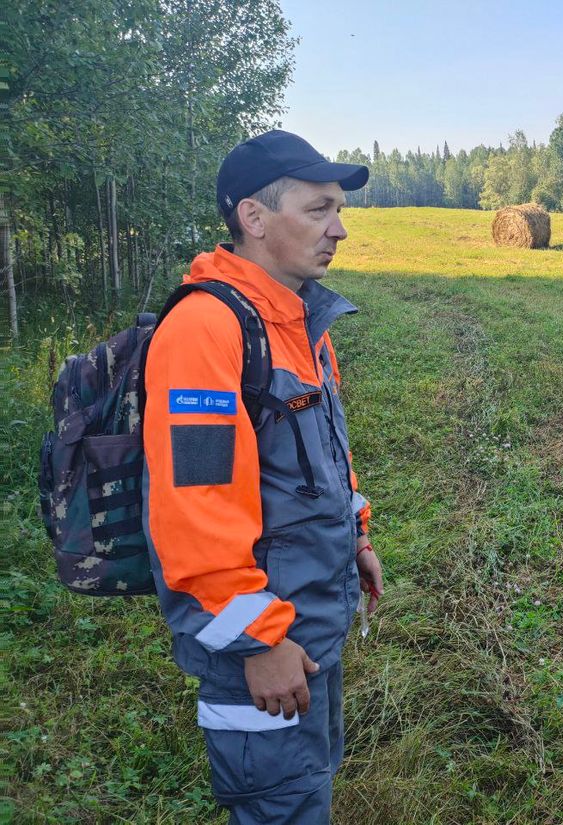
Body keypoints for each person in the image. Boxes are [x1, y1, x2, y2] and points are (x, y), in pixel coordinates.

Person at [142, 130, 384, 823]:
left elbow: (323, 455)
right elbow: (194, 512)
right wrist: (259, 640)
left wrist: (356, 533)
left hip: (309, 623)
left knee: (309, 788)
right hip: (265, 642)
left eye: (339, 211)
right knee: (282, 807)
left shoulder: (299, 319)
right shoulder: (206, 330)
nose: (338, 230)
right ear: (253, 216)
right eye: (318, 210)